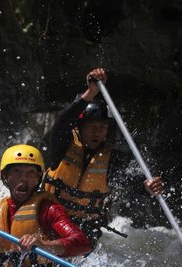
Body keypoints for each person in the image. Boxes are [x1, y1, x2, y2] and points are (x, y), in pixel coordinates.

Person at [44, 67, 164, 248]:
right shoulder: (62, 146)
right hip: (50, 217)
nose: (97, 133)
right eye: (92, 127)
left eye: (102, 128)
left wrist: (146, 187)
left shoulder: (111, 159)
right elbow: (62, 121)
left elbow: (129, 179)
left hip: (84, 228)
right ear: (79, 127)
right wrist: (90, 93)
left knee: (83, 239)